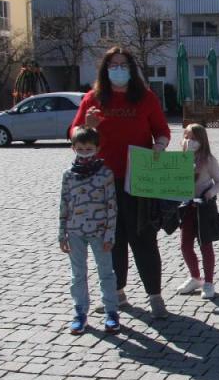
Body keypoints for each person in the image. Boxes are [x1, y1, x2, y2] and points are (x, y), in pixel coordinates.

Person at [70, 46, 171, 318]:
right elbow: (75, 136)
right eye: (113, 65)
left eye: (123, 64)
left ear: (131, 68)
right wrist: (87, 126)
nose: (118, 69)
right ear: (105, 69)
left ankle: (155, 295)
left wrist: (159, 146)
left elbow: (161, 130)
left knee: (144, 238)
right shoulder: (93, 99)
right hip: (102, 181)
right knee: (112, 241)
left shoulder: (145, 98)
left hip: (138, 180)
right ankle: (118, 292)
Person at [59, 127, 119, 334]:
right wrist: (62, 233)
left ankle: (111, 312)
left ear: (97, 148)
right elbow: (64, 204)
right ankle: (80, 312)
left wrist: (110, 233)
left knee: (106, 273)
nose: (85, 152)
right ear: (74, 148)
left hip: (100, 231)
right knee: (78, 274)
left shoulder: (105, 174)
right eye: (81, 148)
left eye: (89, 148)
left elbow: (112, 205)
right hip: (75, 231)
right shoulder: (68, 175)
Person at [176, 123, 219, 300]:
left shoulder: (209, 160)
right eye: (187, 137)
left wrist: (210, 193)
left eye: (193, 138)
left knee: (205, 245)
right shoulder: (180, 158)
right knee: (185, 245)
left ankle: (209, 282)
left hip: (203, 207)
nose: (189, 141)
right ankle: (195, 277)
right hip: (186, 207)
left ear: (201, 140)